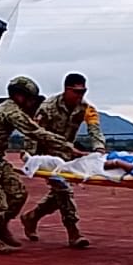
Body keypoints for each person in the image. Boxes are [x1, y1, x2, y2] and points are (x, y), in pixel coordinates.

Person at [0, 76, 86, 254]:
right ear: (20, 96)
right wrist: (69, 147)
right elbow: (35, 132)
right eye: (30, 99)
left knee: (18, 194)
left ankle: (1, 228)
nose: (31, 103)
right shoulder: (10, 111)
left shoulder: (13, 109)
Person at [19, 73, 106, 248]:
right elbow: (34, 132)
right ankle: (73, 232)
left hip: (66, 156)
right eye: (76, 91)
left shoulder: (86, 108)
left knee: (57, 195)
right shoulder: (48, 107)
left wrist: (99, 149)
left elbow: (94, 129)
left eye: (83, 91)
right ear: (67, 90)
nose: (80, 95)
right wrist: (28, 156)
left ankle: (32, 217)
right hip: (46, 157)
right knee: (64, 191)